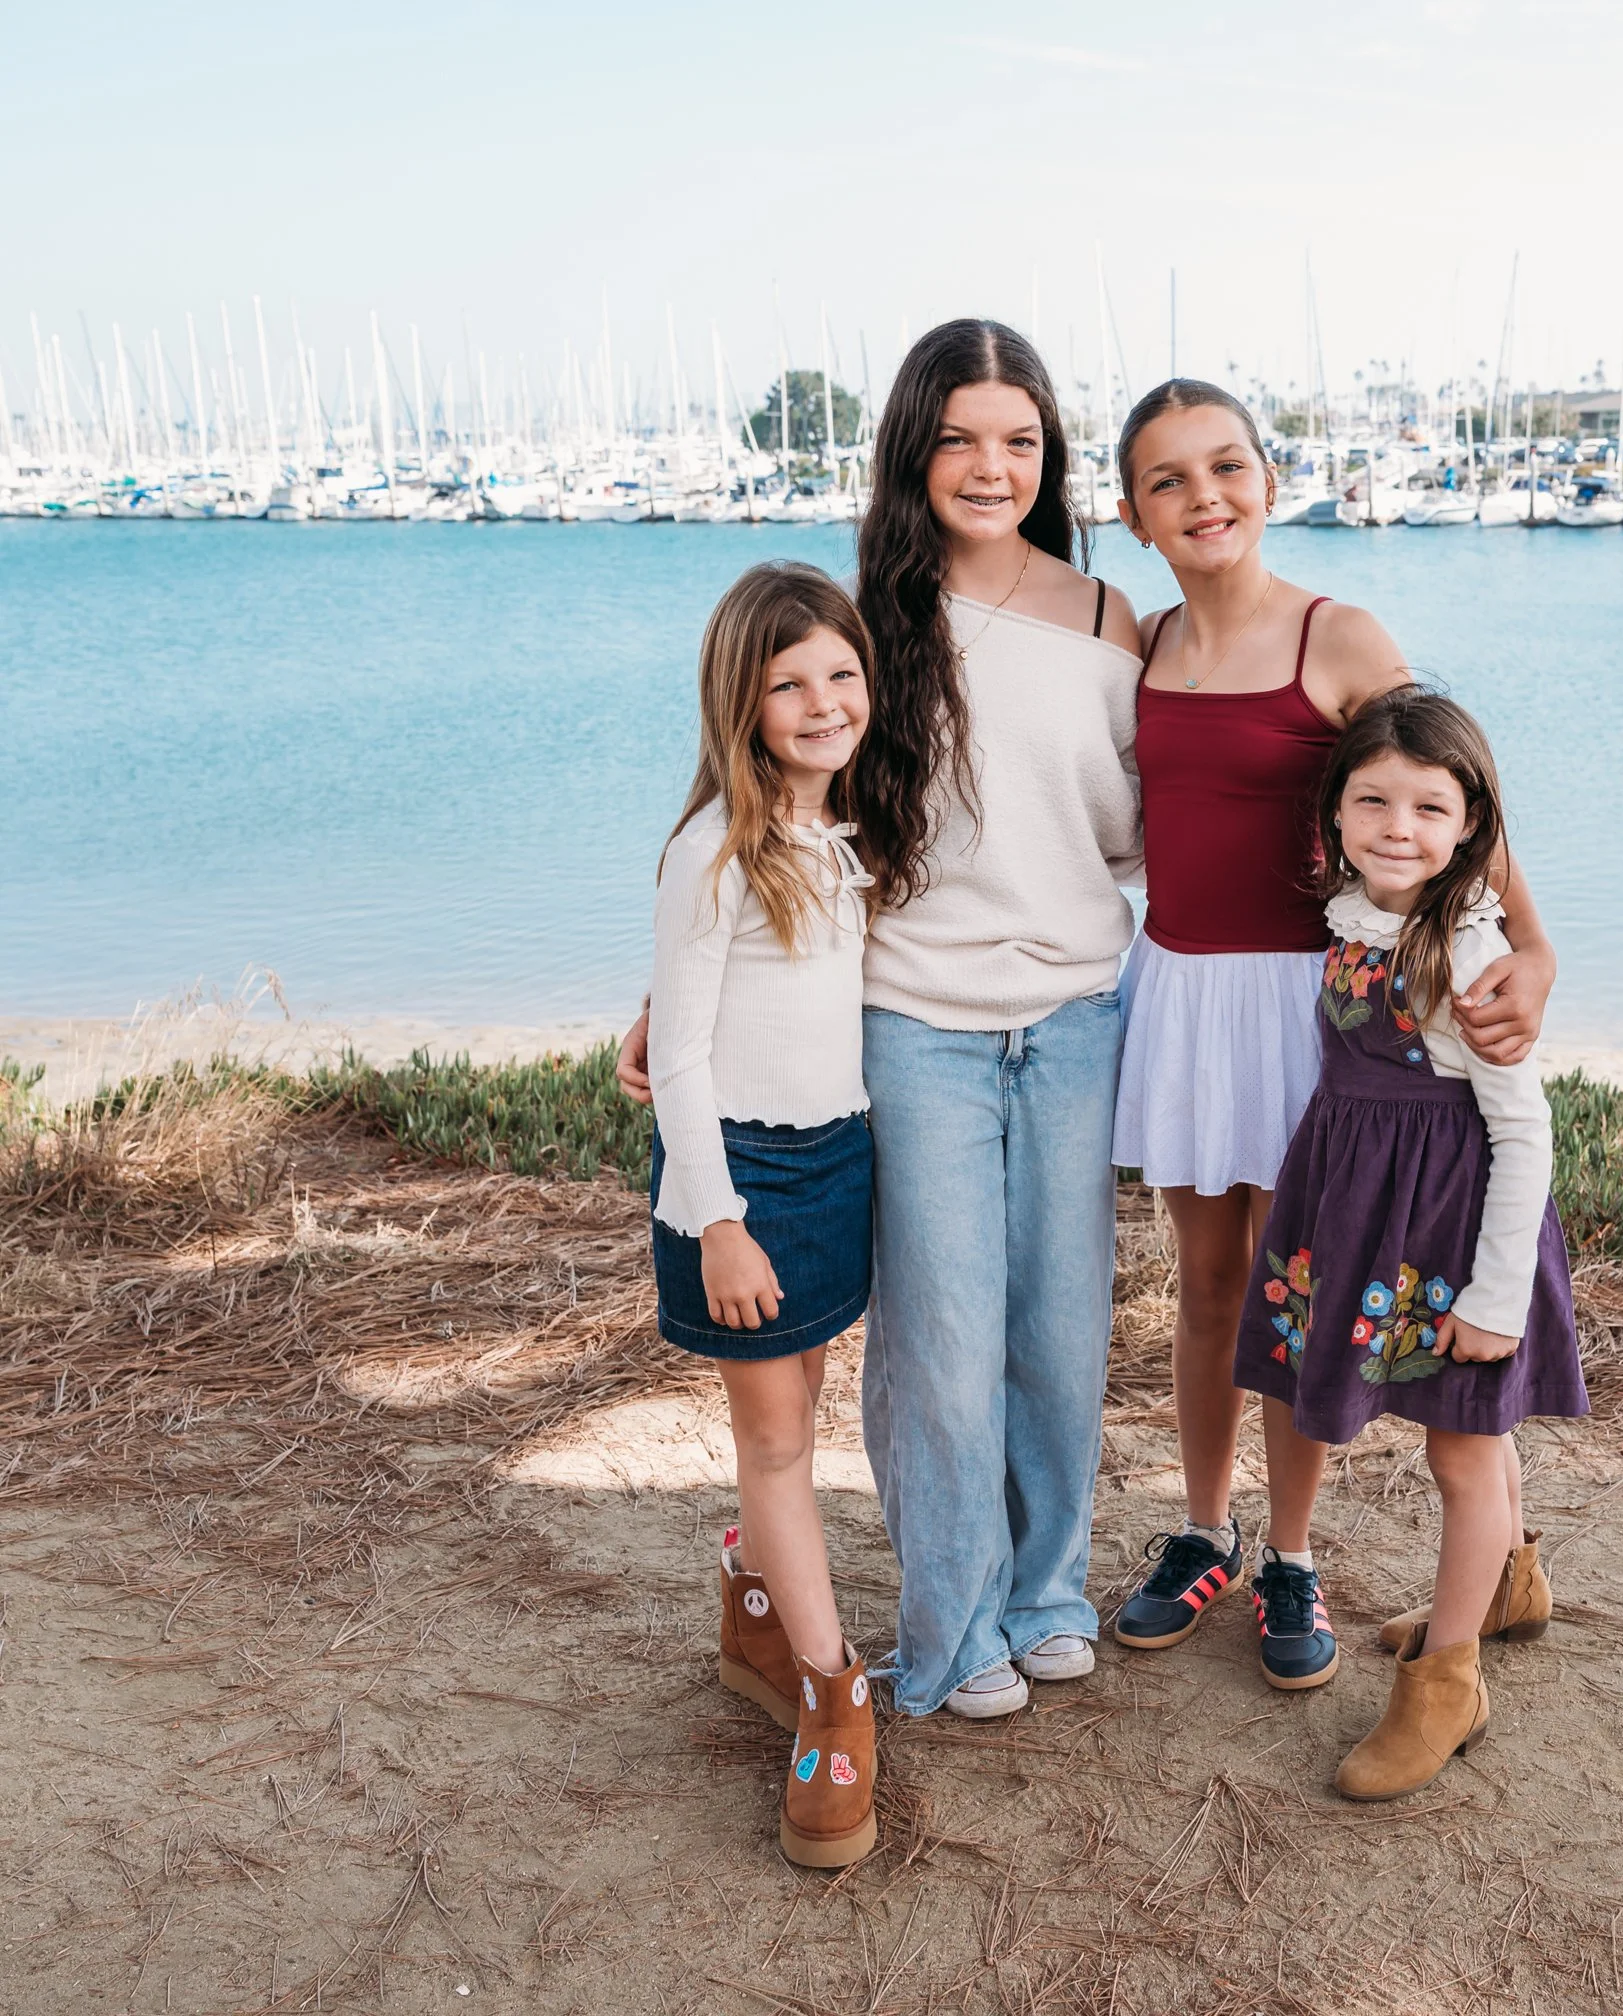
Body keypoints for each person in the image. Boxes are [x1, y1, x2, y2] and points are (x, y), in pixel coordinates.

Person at [621, 320, 1144, 1721]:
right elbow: (776, 808)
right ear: (913, 449)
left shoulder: (1105, 620)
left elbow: (1142, 827)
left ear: (1050, 454)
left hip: (1077, 1015)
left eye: (1020, 440)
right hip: (909, 1021)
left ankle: (1047, 1592)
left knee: (1061, 1329)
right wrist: (673, 988)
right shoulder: (864, 617)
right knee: (943, 1343)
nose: (991, 466)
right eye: (960, 437)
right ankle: (952, 1627)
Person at [1103, 381, 1558, 1686]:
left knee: (1294, 1294)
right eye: (1170, 480)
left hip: (1314, 1007)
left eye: (1227, 466)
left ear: (1270, 476)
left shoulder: (1338, 634)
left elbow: (1450, 793)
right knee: (1205, 1288)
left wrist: (1533, 947)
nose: (1206, 497)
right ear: (1133, 514)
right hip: (1185, 994)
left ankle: (1291, 1556)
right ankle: (1204, 1534)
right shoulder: (1139, 646)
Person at [1231, 686, 1587, 1800]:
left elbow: (1521, 1132)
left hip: (1456, 1239)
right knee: (1465, 1445)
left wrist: (1492, 1299)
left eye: (1429, 808)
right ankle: (1508, 1588)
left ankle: (1448, 1682)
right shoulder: (1357, 919)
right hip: (1371, 1219)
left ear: (1471, 826)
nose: (1398, 827)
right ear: (1333, 815)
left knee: (1460, 1450)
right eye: (1373, 800)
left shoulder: (1465, 949)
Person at [643, 561, 882, 1867]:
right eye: (788, 682)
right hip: (738, 1180)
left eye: (841, 673)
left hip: (838, 1161)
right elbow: (681, 1055)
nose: (822, 700)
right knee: (780, 1438)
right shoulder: (714, 850)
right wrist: (719, 1219)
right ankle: (834, 1692)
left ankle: (753, 1596)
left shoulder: (843, 838)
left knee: (794, 1423)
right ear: (740, 700)